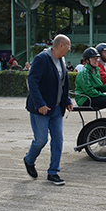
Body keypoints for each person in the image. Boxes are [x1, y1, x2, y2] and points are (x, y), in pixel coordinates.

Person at [24, 34, 73, 186]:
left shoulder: (61, 60)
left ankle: (53, 172)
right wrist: (40, 104)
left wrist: (67, 100)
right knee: (41, 140)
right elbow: (32, 81)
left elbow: (62, 82)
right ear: (61, 46)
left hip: (57, 108)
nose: (69, 50)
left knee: (58, 140)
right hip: (41, 108)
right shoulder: (42, 59)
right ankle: (29, 160)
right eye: (68, 46)